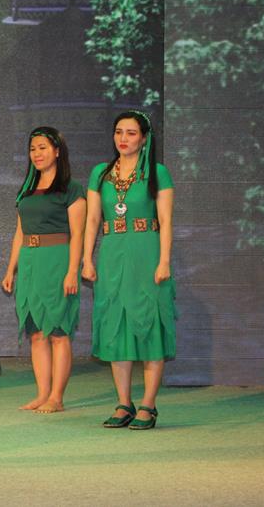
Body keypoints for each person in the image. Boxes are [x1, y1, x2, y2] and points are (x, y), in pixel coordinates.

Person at [82, 110, 176, 430]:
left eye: (131, 133)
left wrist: (164, 260)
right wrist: (87, 258)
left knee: (150, 326)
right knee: (116, 326)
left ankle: (148, 405)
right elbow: (92, 220)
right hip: (112, 252)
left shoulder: (157, 173)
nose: (123, 138)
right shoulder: (101, 173)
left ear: (144, 138)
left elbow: (166, 220)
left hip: (147, 251)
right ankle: (124, 403)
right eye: (119, 132)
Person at [2, 127, 85, 413]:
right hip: (29, 260)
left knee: (58, 331)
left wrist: (72, 271)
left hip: (57, 259)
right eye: (32, 149)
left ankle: (57, 398)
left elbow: (78, 234)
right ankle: (42, 394)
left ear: (57, 151)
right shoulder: (26, 188)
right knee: (36, 332)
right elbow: (19, 232)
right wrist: (11, 269)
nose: (36, 154)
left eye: (43, 148)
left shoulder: (72, 189)